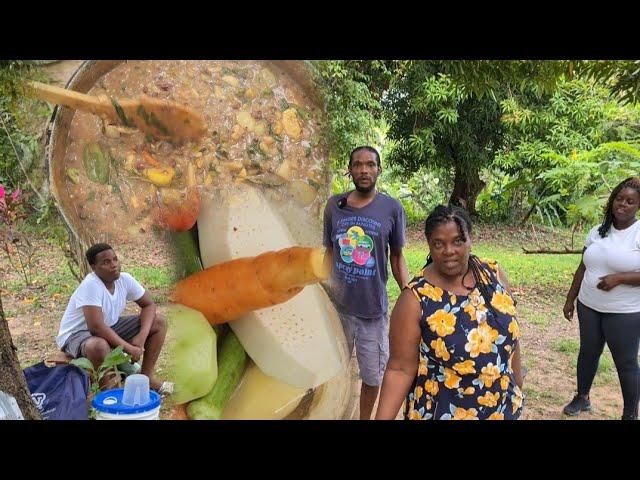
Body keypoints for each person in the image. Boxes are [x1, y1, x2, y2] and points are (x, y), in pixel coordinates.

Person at [375, 205, 524, 420]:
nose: (449, 251)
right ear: (429, 245)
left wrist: (517, 383)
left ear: (470, 239)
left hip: (500, 409)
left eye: (457, 241)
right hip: (445, 412)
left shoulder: (493, 276)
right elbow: (399, 370)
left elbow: (511, 334)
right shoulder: (416, 299)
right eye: (439, 243)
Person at [323, 146, 409, 420]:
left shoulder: (392, 208)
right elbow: (328, 253)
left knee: (372, 377)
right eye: (358, 165)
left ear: (378, 170)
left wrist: (409, 292)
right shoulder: (334, 207)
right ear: (349, 170)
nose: (364, 170)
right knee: (332, 371)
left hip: (372, 311)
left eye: (370, 165)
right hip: (337, 309)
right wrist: (318, 288)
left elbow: (397, 257)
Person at [562, 177, 640, 420]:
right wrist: (570, 297)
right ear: (612, 200)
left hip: (624, 311)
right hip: (589, 305)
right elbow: (582, 266)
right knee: (588, 352)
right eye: (619, 199)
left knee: (626, 363)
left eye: (630, 201)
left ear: (638, 206)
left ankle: (630, 413)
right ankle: (582, 397)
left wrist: (619, 278)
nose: (623, 204)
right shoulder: (597, 230)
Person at [56, 243, 171, 393]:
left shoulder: (125, 279)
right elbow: (95, 327)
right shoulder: (91, 285)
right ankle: (109, 392)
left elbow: (148, 305)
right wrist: (128, 348)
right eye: (106, 262)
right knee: (99, 346)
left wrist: (141, 338)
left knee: (159, 322)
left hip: (108, 327)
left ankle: (146, 378)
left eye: (115, 259)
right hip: (76, 335)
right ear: (93, 267)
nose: (114, 265)